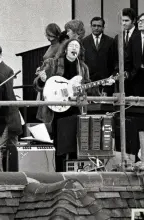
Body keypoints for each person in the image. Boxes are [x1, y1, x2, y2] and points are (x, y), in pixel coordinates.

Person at [34, 38, 112, 171]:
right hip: (56, 109)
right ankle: (59, 172)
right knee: (60, 144)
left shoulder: (82, 68)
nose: (74, 48)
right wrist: (42, 80)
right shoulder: (53, 63)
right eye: (72, 45)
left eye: (77, 46)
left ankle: (74, 171)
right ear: (65, 49)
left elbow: (88, 87)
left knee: (76, 140)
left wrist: (102, 84)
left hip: (74, 108)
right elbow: (39, 85)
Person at [83, 16, 115, 96]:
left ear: (103, 27)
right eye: (94, 25)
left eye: (99, 26)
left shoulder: (110, 41)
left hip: (106, 81)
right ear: (91, 27)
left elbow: (114, 61)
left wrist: (112, 76)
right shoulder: (84, 41)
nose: (96, 28)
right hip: (90, 81)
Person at [124, 13, 144, 96]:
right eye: (139, 21)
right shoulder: (134, 38)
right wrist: (130, 74)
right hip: (136, 75)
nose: (140, 23)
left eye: (143, 21)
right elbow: (128, 59)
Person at [115, 8, 140, 95]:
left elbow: (139, 59)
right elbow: (115, 57)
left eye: (126, 20)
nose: (124, 23)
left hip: (137, 79)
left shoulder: (140, 35)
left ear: (133, 21)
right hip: (121, 80)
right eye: (122, 20)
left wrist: (130, 75)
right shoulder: (118, 37)